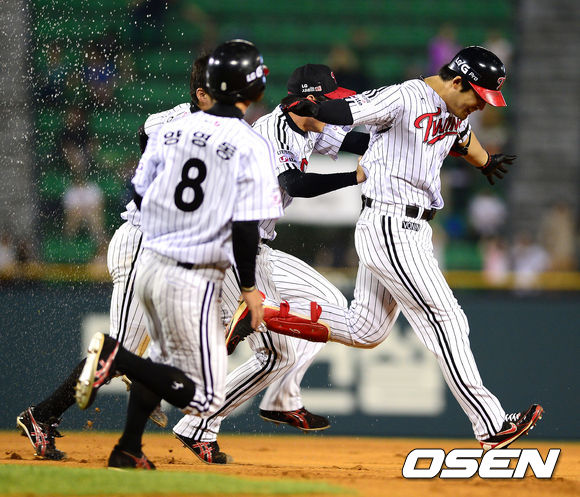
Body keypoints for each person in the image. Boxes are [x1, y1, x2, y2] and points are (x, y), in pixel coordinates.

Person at [266, 46, 543, 451]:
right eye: (479, 96)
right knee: (446, 318)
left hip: (409, 228)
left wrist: (485, 162)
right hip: (391, 224)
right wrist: (308, 104)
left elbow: (462, 139)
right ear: (458, 82)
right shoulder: (404, 96)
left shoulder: (454, 110)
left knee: (366, 329)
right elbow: (346, 112)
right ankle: (491, 424)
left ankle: (266, 313)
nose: (482, 106)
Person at [74, 39, 283, 469]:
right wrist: (248, 289)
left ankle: (128, 449)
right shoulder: (251, 143)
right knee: (204, 398)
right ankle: (116, 356)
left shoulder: (170, 129)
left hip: (150, 261)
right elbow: (247, 227)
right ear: (253, 89)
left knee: (161, 362)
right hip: (191, 275)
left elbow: (137, 191)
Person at [15, 53, 214, 461]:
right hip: (142, 241)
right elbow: (151, 135)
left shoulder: (190, 124)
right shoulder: (182, 122)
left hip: (163, 247)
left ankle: (139, 386)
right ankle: (42, 416)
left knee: (161, 339)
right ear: (202, 93)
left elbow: (148, 133)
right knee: (114, 351)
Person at [171, 63, 369, 462]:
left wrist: (428, 139)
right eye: (330, 100)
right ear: (308, 101)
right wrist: (354, 177)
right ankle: (196, 422)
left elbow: (359, 139)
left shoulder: (311, 123)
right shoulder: (271, 131)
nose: (337, 107)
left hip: (259, 245)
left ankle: (281, 397)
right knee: (276, 355)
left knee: (330, 301)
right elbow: (294, 184)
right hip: (231, 243)